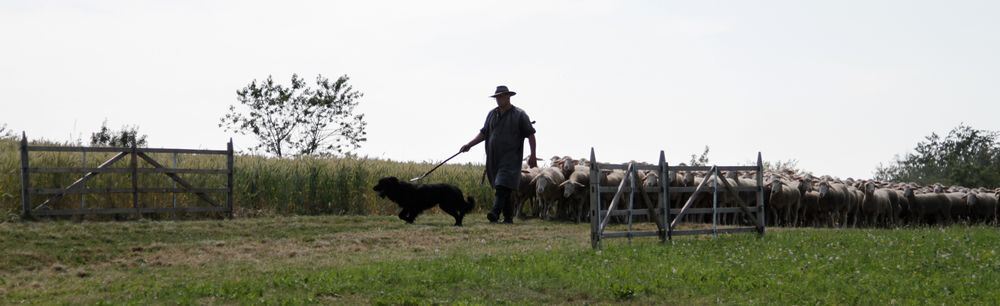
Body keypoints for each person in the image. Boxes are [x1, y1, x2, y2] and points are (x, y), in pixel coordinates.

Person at [460, 85, 537, 224]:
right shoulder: (491, 114)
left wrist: (533, 155)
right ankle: (508, 218)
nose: (499, 99)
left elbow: (530, 134)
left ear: (508, 97)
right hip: (494, 157)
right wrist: (469, 145)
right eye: (497, 97)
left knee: (502, 184)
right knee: (503, 187)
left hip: (511, 157)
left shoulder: (519, 114)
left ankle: (495, 212)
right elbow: (483, 133)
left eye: (502, 96)